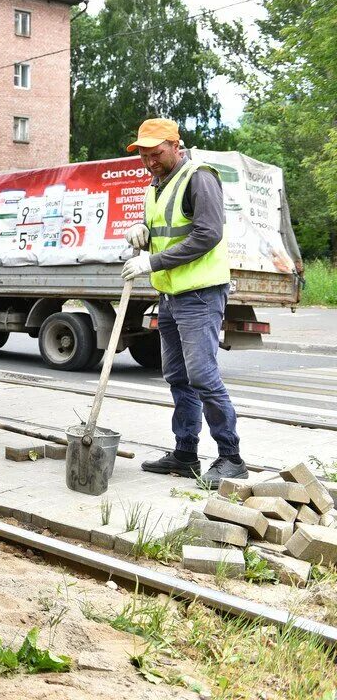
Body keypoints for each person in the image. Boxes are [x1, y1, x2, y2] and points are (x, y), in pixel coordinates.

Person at [121, 118, 247, 489]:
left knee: (203, 376)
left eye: (156, 154)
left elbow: (208, 233)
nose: (149, 161)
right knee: (177, 376)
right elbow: (163, 232)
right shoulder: (154, 187)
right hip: (171, 295)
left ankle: (231, 457)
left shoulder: (198, 177)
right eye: (143, 155)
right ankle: (185, 454)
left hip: (201, 293)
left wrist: (152, 262)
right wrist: (140, 233)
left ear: (176, 145)